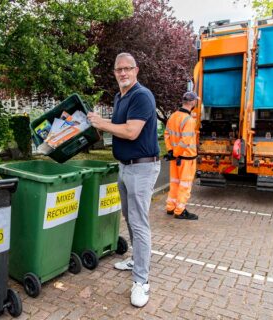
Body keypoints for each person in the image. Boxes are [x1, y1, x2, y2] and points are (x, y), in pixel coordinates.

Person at [87, 52, 160, 308]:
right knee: (130, 218)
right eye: (119, 69)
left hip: (142, 168)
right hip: (125, 167)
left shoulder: (141, 95)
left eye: (128, 68)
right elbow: (118, 124)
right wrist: (97, 121)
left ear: (136, 70)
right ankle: (135, 261)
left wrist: (102, 124)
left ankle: (142, 280)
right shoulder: (120, 97)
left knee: (139, 224)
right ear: (115, 72)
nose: (124, 73)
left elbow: (131, 131)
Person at [163, 91, 199, 220]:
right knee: (185, 185)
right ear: (193, 102)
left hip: (175, 158)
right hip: (186, 159)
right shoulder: (189, 120)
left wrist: (171, 152)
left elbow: (166, 134)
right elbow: (185, 141)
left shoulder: (173, 116)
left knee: (174, 183)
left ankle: (170, 207)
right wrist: (176, 153)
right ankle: (180, 211)